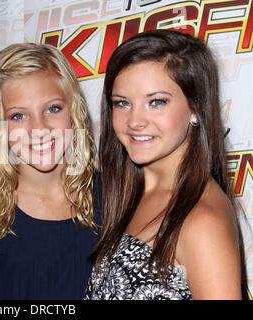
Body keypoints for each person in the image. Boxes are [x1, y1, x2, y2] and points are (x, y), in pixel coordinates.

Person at [85, 29, 243, 300]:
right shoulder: (128, 194)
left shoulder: (202, 222)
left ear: (195, 108)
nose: (135, 121)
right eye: (122, 103)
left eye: (156, 102)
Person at [0, 43, 100, 299]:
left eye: (53, 109)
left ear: (74, 111)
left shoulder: (114, 195)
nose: (39, 128)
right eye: (18, 116)